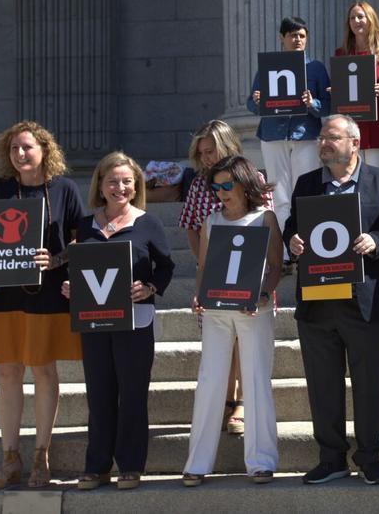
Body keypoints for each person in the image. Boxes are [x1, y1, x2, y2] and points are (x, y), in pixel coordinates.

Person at [284, 115, 379, 486]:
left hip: (364, 300)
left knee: (368, 383)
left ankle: (369, 457)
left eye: (332, 137)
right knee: (322, 385)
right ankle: (331, 458)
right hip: (318, 301)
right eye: (322, 138)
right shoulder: (307, 183)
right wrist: (293, 241)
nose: (323, 143)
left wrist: (378, 241)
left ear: (354, 143)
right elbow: (293, 223)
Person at [0, 121, 86, 491]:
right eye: (14, 149)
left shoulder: (64, 189)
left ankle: (41, 455)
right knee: (7, 372)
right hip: (2, 294)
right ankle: (9, 458)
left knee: (43, 370)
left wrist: (55, 260)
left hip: (46, 294)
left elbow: (81, 242)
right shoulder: (0, 188)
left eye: (27, 148)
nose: (20, 154)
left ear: (44, 150)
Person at [63, 152, 175, 490]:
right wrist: (71, 286)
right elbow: (79, 266)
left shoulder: (147, 223)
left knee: (132, 393)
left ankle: (130, 464)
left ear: (136, 185)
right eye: (113, 181)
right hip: (95, 321)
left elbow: (166, 266)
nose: (120, 187)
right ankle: (96, 466)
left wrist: (152, 286)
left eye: (127, 181)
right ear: (100, 184)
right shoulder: (84, 225)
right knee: (98, 394)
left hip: (135, 321)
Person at [182, 156, 283, 486]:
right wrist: (199, 296)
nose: (222, 192)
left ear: (244, 184)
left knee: (255, 381)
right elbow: (203, 268)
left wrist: (264, 295)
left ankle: (261, 461)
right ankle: (196, 464)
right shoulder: (211, 221)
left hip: (254, 311)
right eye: (217, 186)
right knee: (209, 381)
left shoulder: (264, 217)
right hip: (216, 313)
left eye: (228, 185)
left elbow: (276, 266)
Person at [177, 119, 273, 435]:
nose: (206, 157)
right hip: (214, 273)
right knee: (220, 341)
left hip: (250, 274)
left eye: (211, 149)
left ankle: (243, 403)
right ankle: (226, 401)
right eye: (201, 152)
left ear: (228, 145)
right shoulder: (198, 185)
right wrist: (205, 263)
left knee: (245, 341)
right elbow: (191, 226)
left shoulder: (253, 178)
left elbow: (265, 226)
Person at [246, 15, 331, 248]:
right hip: (273, 135)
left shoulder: (316, 68)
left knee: (307, 194)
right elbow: (251, 105)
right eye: (293, 35)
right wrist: (257, 100)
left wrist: (312, 104)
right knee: (280, 196)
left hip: (306, 135)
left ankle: (311, 246)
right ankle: (285, 251)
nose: (298, 40)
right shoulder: (269, 67)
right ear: (282, 38)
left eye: (302, 36)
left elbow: (329, 104)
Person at [336, 0, 379, 172]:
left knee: (378, 182)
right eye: (352, 18)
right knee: (351, 183)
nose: (356, 21)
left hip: (378, 128)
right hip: (350, 128)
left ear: (371, 20)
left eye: (360, 16)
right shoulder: (341, 54)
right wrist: (335, 91)